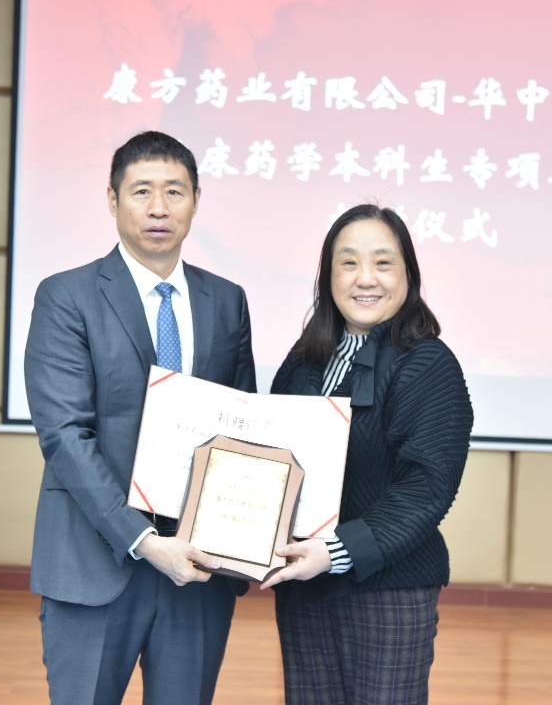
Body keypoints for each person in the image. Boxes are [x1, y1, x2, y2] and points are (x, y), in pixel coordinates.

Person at [24, 131, 257, 705]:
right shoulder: (66, 296)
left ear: (196, 201)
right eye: (141, 191)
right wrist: (145, 541)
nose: (159, 208)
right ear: (112, 200)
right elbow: (65, 436)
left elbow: (242, 430)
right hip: (95, 559)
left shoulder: (227, 301)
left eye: (174, 191)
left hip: (198, 570)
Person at [260, 204, 473, 705]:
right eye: (349, 262)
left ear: (407, 275)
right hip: (304, 585)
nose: (365, 278)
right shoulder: (304, 359)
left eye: (383, 262)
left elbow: (426, 488)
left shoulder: (428, 364)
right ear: (328, 276)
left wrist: (335, 552)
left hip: (388, 592)